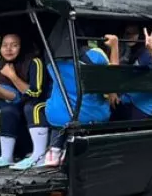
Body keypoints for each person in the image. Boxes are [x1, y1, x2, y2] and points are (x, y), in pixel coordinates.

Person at [15, 28, 119, 169]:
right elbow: (114, 82)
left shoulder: (49, 57)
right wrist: (114, 47)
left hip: (57, 113)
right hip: (88, 114)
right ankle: (66, 151)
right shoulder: (94, 55)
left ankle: (54, 151)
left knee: (58, 114)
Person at [0, 34, 47, 168]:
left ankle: (39, 156)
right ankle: (6, 156)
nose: (8, 49)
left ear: (22, 47)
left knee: (30, 107)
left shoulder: (34, 62)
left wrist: (12, 76)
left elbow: (35, 93)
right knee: (3, 110)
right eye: (4, 45)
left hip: (37, 103)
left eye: (14, 45)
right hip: (13, 103)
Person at [117, 24, 152, 120]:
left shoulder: (147, 53)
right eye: (127, 33)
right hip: (128, 100)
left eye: (134, 33)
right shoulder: (131, 52)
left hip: (142, 107)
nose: (130, 36)